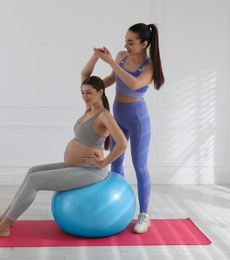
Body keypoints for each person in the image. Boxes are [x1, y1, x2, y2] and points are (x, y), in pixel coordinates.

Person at [0, 75, 128, 239]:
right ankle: (4, 216)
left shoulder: (104, 115)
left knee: (35, 181)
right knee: (32, 171)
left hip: (92, 171)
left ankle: (4, 227)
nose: (84, 96)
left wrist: (103, 162)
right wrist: (95, 57)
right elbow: (85, 74)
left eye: (89, 93)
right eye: (82, 92)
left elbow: (123, 143)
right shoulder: (89, 109)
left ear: (100, 92)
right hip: (78, 166)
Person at [81, 23, 165, 234]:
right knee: (116, 160)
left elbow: (135, 84)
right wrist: (94, 87)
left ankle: (144, 215)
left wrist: (111, 62)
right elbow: (113, 78)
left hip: (137, 118)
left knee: (139, 166)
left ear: (144, 43)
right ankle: (118, 206)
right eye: (125, 40)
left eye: (130, 42)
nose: (125, 45)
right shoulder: (120, 56)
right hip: (118, 113)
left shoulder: (150, 65)